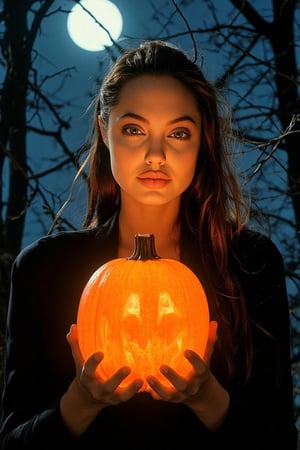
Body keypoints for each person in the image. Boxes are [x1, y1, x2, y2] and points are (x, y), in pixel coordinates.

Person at [0, 40, 297, 450]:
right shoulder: (43, 269)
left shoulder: (252, 264)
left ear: (201, 141)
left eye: (178, 133)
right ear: (105, 130)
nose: (156, 154)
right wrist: (79, 403)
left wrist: (207, 398)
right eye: (134, 129)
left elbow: (279, 442)